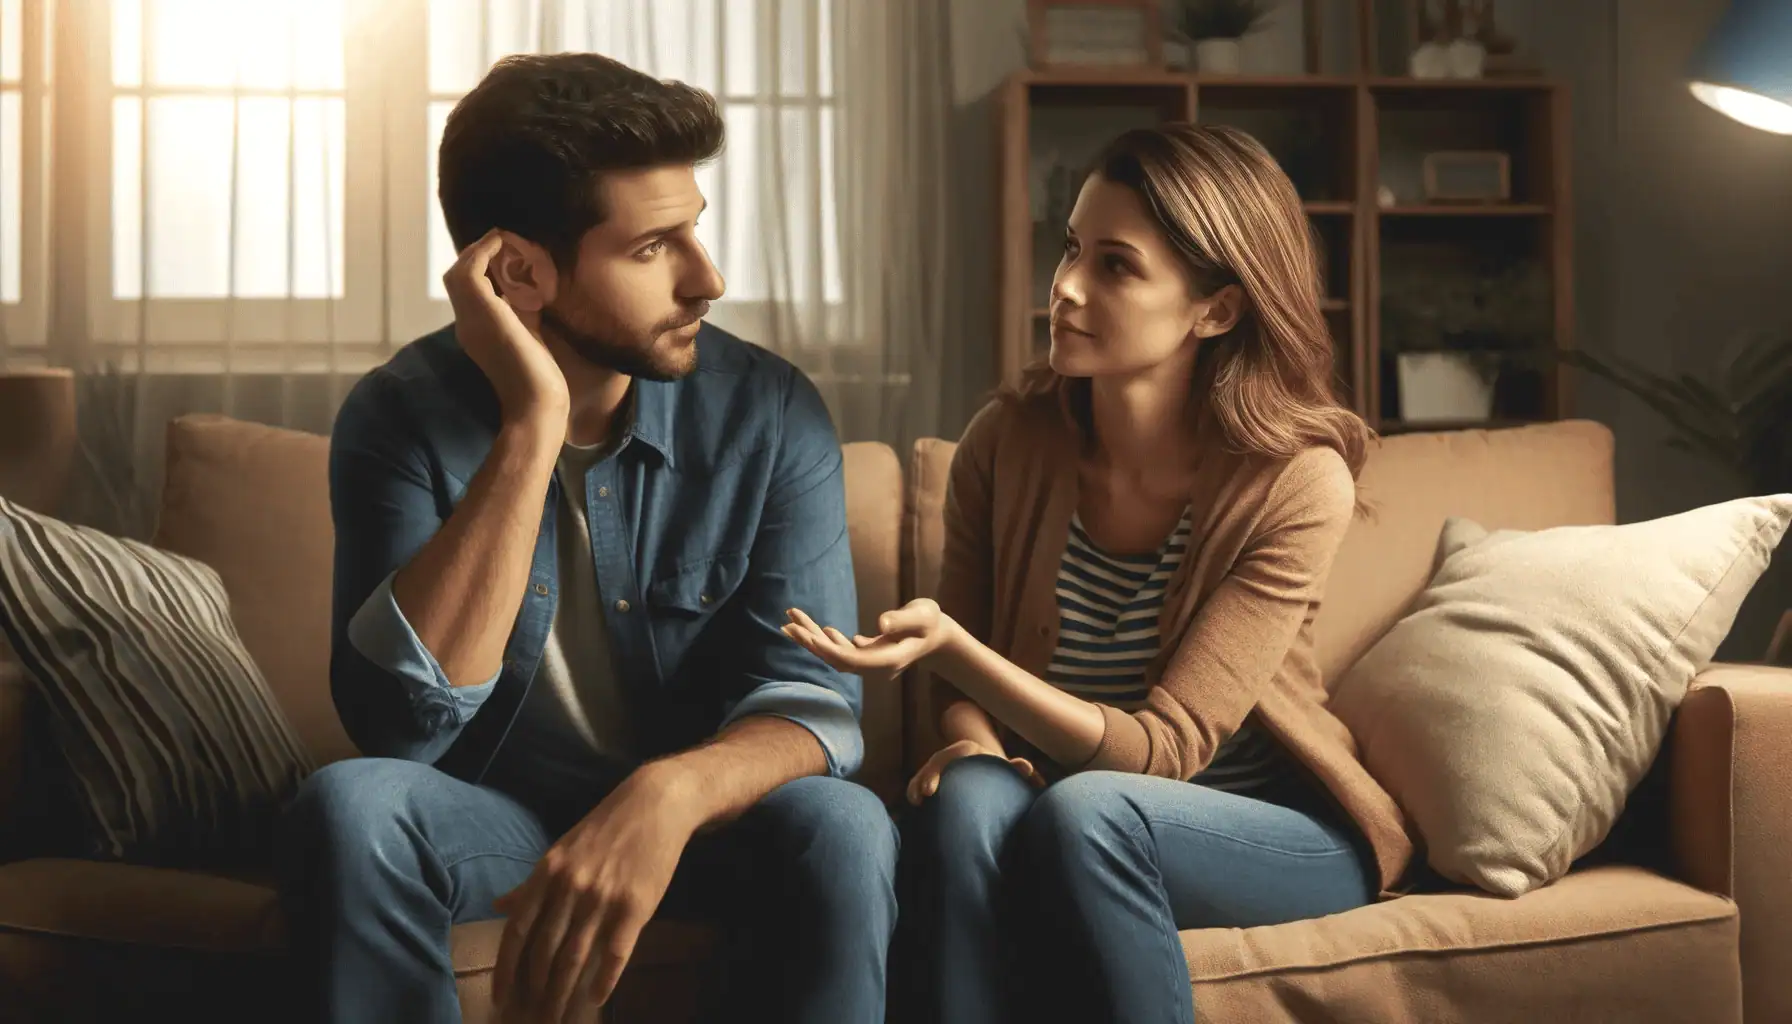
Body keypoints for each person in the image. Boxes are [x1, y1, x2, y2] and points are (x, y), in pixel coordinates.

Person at [275, 53, 897, 1024]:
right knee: (351, 804)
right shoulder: (398, 415)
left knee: (845, 823)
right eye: (653, 249)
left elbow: (814, 704)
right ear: (519, 270)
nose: (709, 278)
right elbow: (398, 725)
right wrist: (531, 423)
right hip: (501, 827)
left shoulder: (770, 412)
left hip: (708, 830)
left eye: (692, 228)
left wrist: (669, 794)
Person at [781, 123, 1415, 1024]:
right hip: (1059, 802)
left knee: (1092, 814)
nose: (1067, 286)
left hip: (1266, 828)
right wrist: (975, 742)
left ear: (1217, 310)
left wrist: (959, 653)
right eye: (1072, 247)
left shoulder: (1296, 480)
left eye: (1116, 266)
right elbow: (955, 697)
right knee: (966, 798)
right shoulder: (1008, 440)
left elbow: (1165, 753)